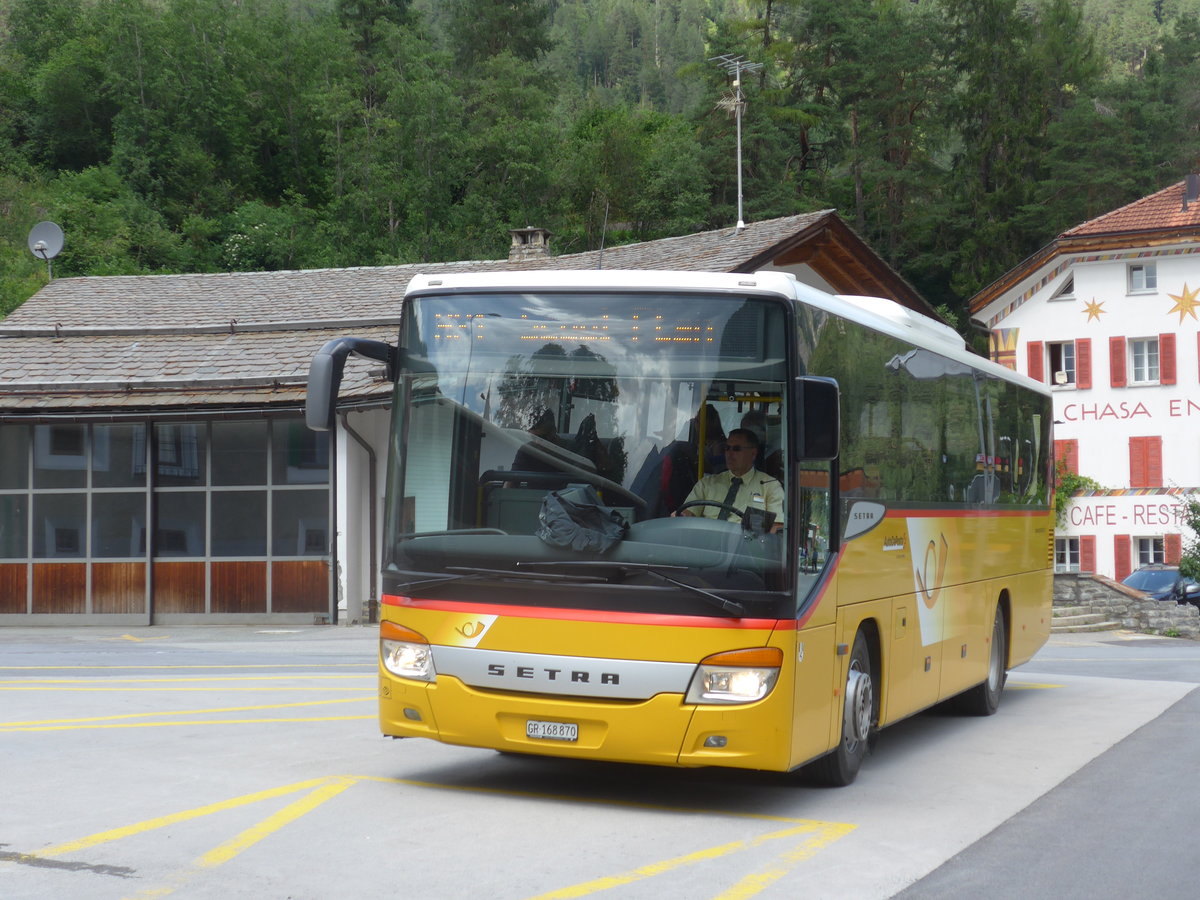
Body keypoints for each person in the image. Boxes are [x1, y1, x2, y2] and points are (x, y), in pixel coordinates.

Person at [676, 428, 783, 529]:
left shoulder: (770, 486)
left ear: (753, 453)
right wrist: (682, 516)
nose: (729, 454)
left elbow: (777, 528)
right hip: (707, 543)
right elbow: (687, 514)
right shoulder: (707, 484)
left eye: (736, 449)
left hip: (745, 545)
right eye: (727, 448)